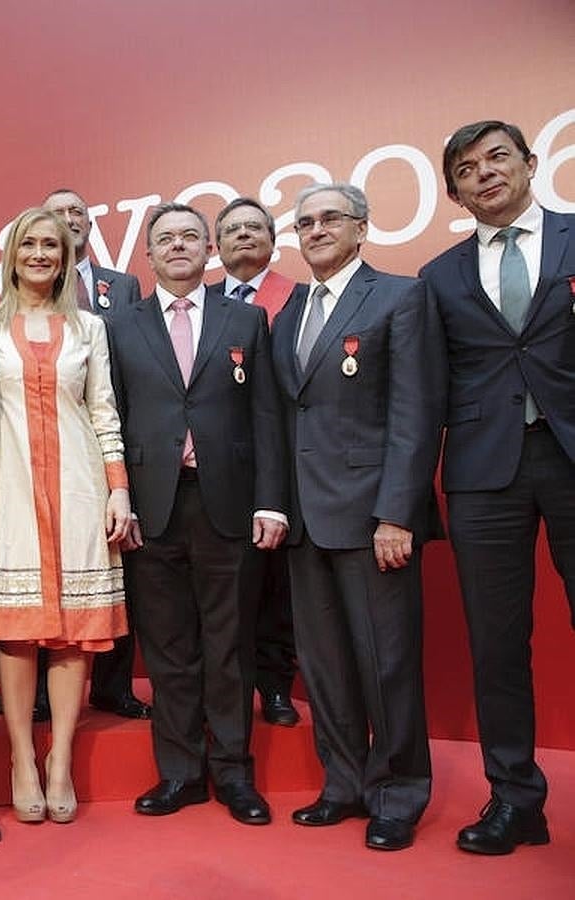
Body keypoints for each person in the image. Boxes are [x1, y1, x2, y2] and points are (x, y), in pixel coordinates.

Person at [271, 183, 444, 851]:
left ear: (361, 228)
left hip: (375, 520)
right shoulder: (290, 312)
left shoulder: (400, 297)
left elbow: (415, 412)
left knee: (387, 662)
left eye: (330, 218)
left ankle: (399, 791)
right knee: (326, 666)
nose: (315, 230)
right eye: (305, 221)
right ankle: (343, 784)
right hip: (306, 521)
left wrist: (397, 513)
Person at [420, 120, 574, 855]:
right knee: (498, 646)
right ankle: (516, 800)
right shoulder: (439, 277)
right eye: (467, 169)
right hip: (484, 476)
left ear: (530, 163)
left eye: (497, 158)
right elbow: (423, 396)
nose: (485, 174)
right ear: (453, 191)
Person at [107, 203, 287, 827]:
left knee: (229, 645)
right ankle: (179, 773)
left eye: (190, 236)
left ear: (208, 249)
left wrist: (271, 500)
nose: (178, 246)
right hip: (151, 508)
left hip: (229, 504)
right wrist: (119, 494)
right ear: (148, 256)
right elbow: (112, 420)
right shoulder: (120, 327)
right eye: (165, 239)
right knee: (167, 648)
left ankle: (234, 773)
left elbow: (267, 417)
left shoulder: (247, 319)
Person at [0, 207, 131, 825]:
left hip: (81, 487)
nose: (40, 254)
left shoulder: (90, 328)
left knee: (73, 631)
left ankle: (59, 757)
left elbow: (104, 412)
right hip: (5, 489)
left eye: (52, 245)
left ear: (67, 257)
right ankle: (20, 758)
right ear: (11, 255)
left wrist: (118, 490)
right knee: (16, 629)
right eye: (30, 244)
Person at [44, 187, 150, 722]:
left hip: (115, 447)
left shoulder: (122, 287)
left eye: (78, 213)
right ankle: (45, 695)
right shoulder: (23, 299)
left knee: (118, 569)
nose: (70, 220)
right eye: (58, 214)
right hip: (45, 456)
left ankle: (114, 685)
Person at [213, 196, 300, 727]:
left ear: (272, 239)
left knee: (275, 585)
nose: (243, 235)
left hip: (282, 464)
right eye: (231, 229)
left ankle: (274, 686)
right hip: (214, 472)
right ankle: (225, 692)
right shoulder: (193, 304)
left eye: (254, 227)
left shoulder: (299, 298)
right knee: (225, 595)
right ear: (214, 246)